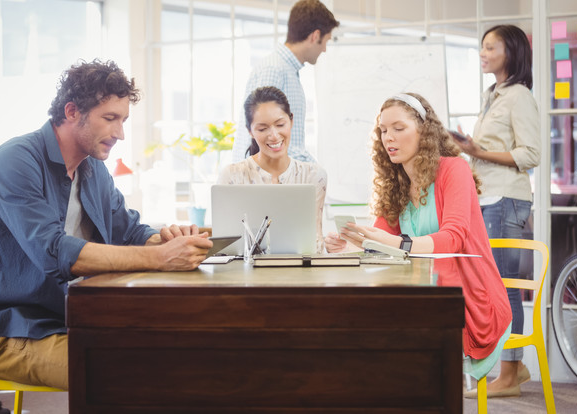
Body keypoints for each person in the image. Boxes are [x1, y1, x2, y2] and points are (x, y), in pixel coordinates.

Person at [0, 59, 213, 390]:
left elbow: (130, 232)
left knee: (177, 350)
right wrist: (160, 258)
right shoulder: (15, 161)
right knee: (133, 374)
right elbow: (54, 252)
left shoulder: (93, 170)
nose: (120, 133)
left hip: (75, 317)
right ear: (71, 112)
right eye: (110, 119)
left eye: (123, 120)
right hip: (12, 333)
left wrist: (163, 240)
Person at [324, 92, 512, 381]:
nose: (389, 138)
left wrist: (398, 244)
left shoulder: (454, 169)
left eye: (399, 129)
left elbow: (453, 239)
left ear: (424, 131)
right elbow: (381, 241)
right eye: (383, 131)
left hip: (468, 298)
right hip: (425, 293)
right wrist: (350, 242)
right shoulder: (395, 181)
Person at [452, 24, 540, 399]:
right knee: (493, 286)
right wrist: (469, 149)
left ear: (512, 52)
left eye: (491, 47)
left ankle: (510, 372)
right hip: (490, 199)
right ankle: (512, 367)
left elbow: (530, 154)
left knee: (503, 289)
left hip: (507, 199)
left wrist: (476, 151)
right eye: (482, 47)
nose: (483, 53)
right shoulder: (493, 94)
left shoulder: (519, 95)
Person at [218, 86, 327, 253]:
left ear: (291, 121)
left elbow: (315, 242)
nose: (274, 135)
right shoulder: (232, 176)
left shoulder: (313, 176)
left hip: (301, 274)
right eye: (262, 129)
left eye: (280, 124)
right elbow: (226, 247)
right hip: (245, 274)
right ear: (250, 131)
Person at [232, 0, 339, 163]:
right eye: (326, 41)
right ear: (315, 36)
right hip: (264, 183)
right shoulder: (274, 70)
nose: (324, 49)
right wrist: (311, 167)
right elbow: (262, 141)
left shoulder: (287, 71)